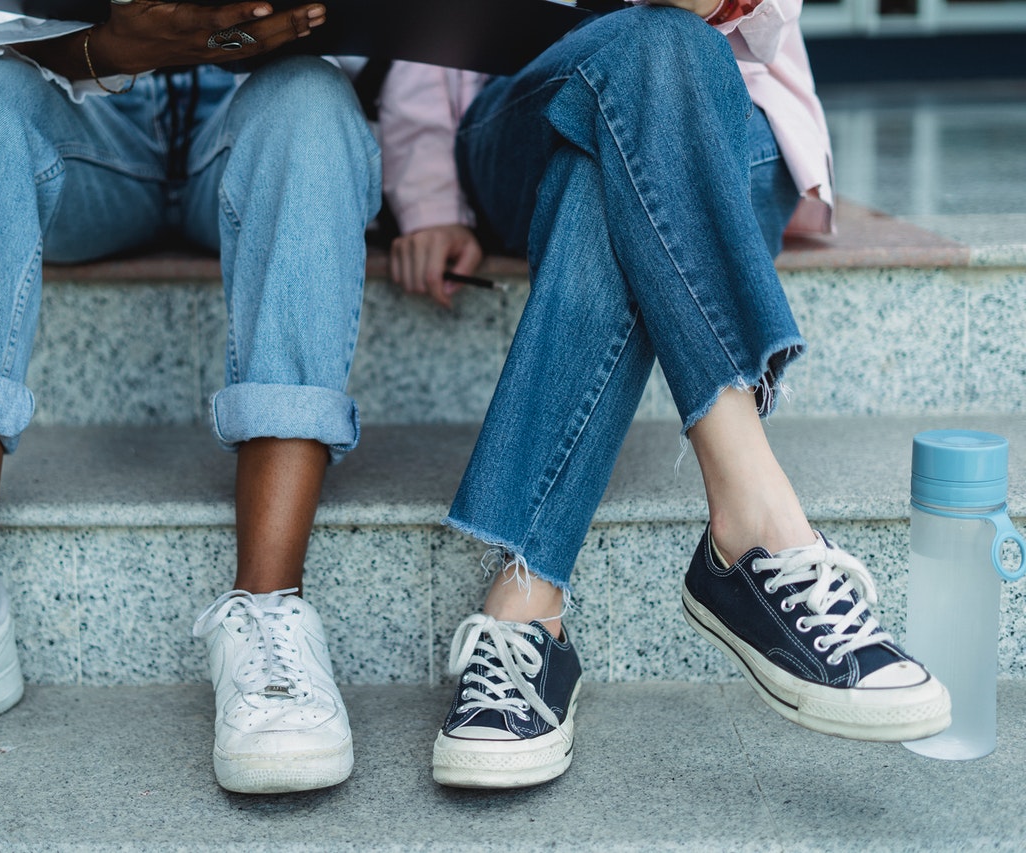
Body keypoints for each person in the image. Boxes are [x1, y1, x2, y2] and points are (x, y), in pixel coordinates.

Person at [0, 0, 382, 796]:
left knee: (311, 104)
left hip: (256, 115)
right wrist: (112, 44)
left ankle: (269, 621)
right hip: (89, 114)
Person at [381, 0, 952, 789]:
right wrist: (430, 201)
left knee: (661, 60)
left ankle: (525, 610)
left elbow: (765, 23)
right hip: (521, 115)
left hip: (725, 122)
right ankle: (754, 529)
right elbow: (423, 39)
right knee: (642, 57)